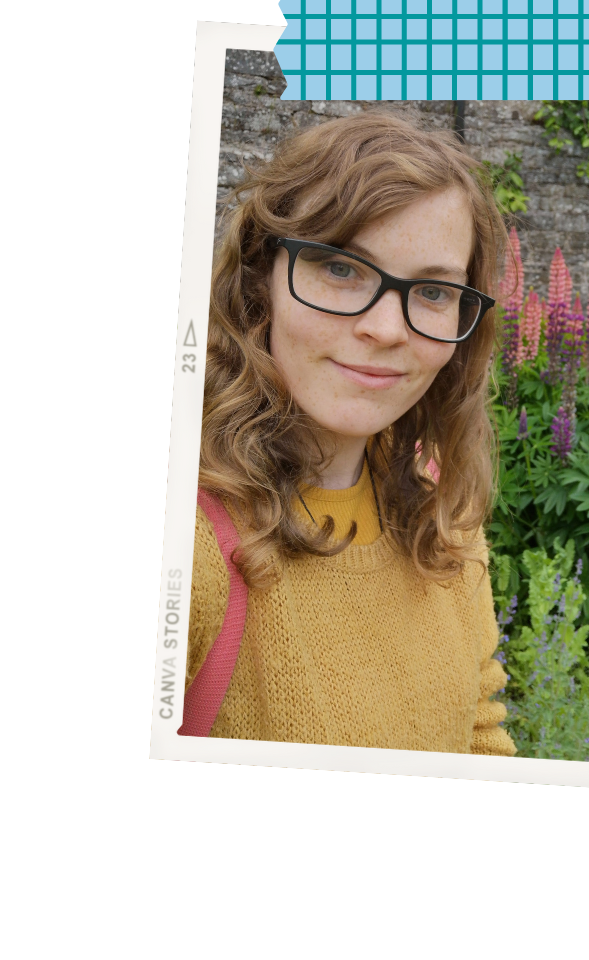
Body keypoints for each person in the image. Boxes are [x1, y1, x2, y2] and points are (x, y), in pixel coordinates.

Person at [184, 110, 516, 755]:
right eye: (341, 269)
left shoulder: (443, 521)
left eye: (433, 292)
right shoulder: (186, 544)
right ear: (261, 281)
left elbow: (478, 729)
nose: (388, 329)